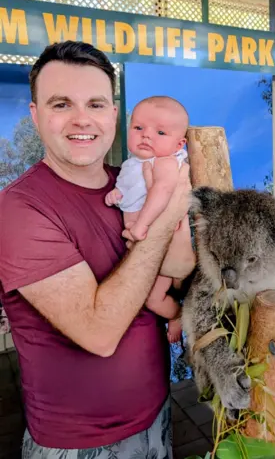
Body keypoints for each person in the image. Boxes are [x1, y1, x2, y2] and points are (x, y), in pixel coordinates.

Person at [0, 41, 194, 458]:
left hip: (156, 414)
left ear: (113, 113)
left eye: (95, 104)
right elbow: (99, 333)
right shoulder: (19, 209)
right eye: (61, 104)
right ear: (35, 115)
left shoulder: (124, 183)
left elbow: (179, 265)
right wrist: (166, 217)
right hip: (78, 443)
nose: (81, 119)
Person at [105, 95, 195, 344]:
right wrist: (117, 194)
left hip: (162, 248)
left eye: (160, 132)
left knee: (153, 298)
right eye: (138, 128)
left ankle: (176, 315)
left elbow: (161, 193)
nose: (146, 135)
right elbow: (133, 190)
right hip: (143, 248)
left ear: (179, 145)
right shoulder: (133, 163)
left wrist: (142, 224)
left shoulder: (165, 163)